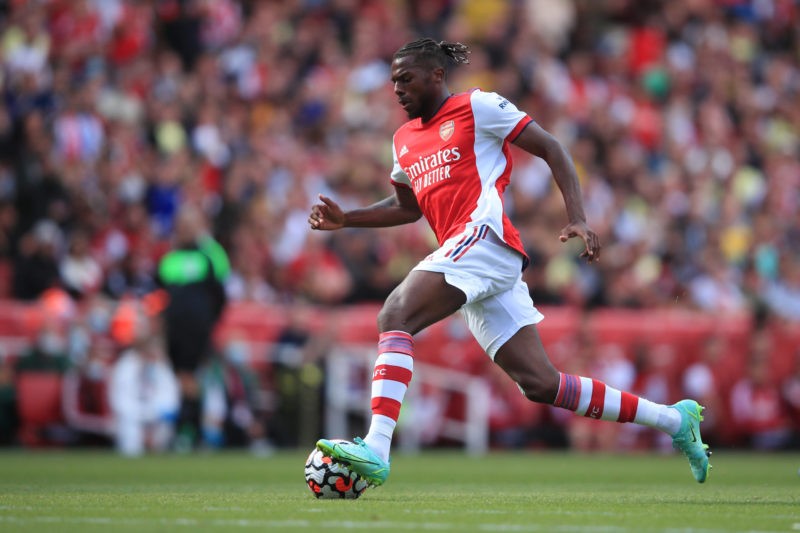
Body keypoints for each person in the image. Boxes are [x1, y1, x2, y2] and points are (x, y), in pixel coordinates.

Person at [309, 39, 711, 486]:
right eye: (393, 82)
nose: (397, 89)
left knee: (394, 313)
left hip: (484, 237)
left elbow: (553, 148)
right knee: (542, 384)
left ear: (436, 76)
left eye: (406, 79)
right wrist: (348, 219)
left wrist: (577, 217)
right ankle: (675, 421)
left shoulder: (478, 106)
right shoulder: (402, 141)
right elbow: (408, 207)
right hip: (473, 259)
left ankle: (377, 447)